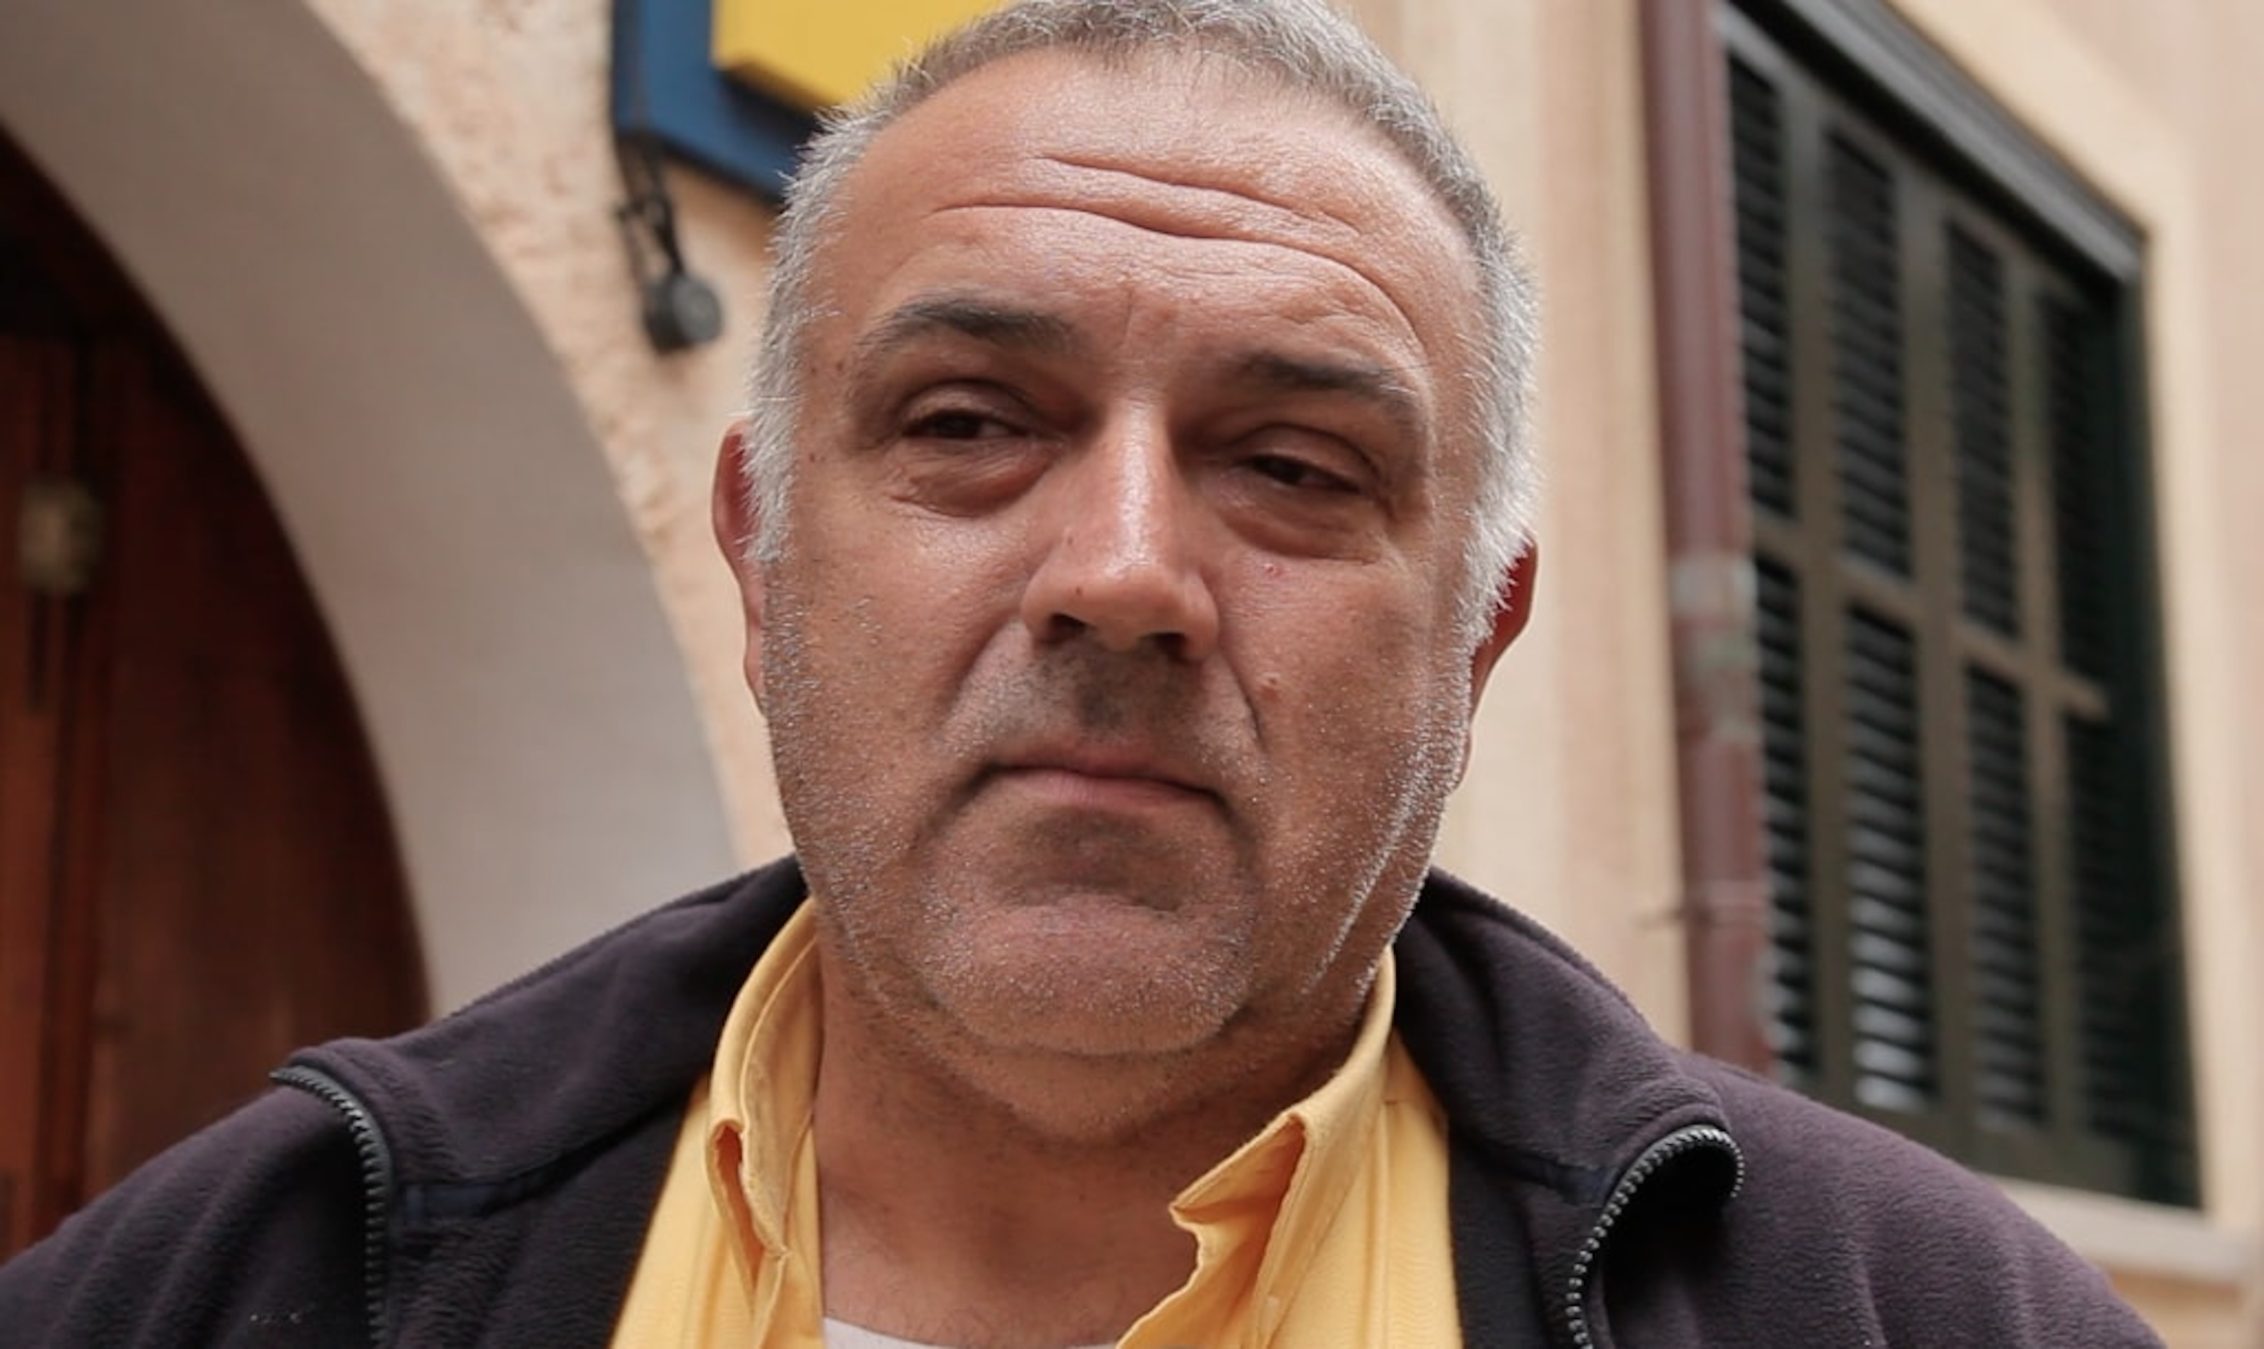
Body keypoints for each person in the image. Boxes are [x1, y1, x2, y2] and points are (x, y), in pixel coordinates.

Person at [0, 0, 2161, 1345]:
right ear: (760, 550)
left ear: (1478, 640)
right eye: (967, 423)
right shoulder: (221, 1289)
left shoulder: (1923, 1321)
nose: (1123, 575)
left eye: (1293, 465)